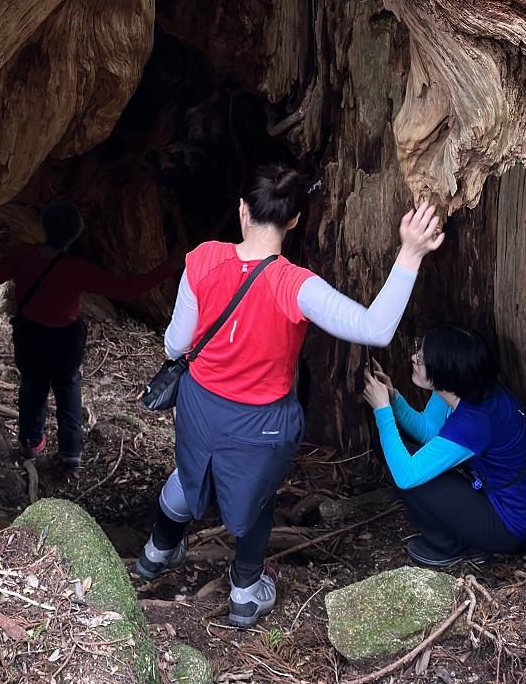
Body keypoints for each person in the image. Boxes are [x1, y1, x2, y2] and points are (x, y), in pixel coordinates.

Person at [134, 164, 448, 628]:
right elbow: (375, 329)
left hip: (199, 406)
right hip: (260, 422)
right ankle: (245, 591)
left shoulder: (202, 259)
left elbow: (176, 346)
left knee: (191, 471)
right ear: (295, 220)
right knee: (259, 495)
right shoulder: (295, 285)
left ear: (243, 210)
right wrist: (410, 253)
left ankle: (156, 550)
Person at [0, 201, 173, 471]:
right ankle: (71, 452)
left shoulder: (23, 255)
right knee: (68, 390)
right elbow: (127, 290)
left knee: (32, 388)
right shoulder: (77, 269)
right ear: (75, 235)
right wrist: (171, 265)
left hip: (30, 337)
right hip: (65, 342)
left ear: (44, 227)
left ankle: (30, 443)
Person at [360, 323, 526, 569]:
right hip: (492, 491)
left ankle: (455, 547)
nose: (413, 358)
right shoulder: (462, 386)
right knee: (386, 444)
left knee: (410, 472)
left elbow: (406, 475)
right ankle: (462, 536)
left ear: (445, 372)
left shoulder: (474, 422)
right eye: (419, 350)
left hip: (509, 524)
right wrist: (393, 398)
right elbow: (429, 432)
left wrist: (382, 410)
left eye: (421, 358)